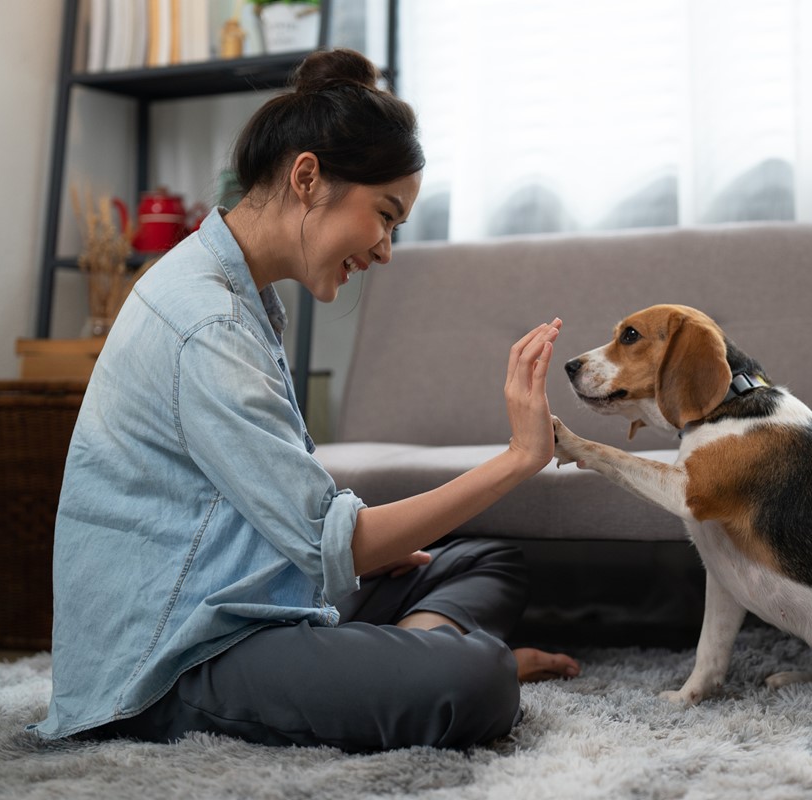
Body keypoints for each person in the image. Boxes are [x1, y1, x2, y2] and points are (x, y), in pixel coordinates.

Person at [30, 48, 578, 753]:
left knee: (485, 559)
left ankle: (398, 655)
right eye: (385, 215)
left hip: (241, 593)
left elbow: (300, 532)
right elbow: (336, 543)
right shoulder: (209, 324)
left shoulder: (234, 292)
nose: (385, 249)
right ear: (308, 177)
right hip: (176, 659)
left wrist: (363, 565)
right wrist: (520, 459)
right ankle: (427, 662)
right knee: (480, 684)